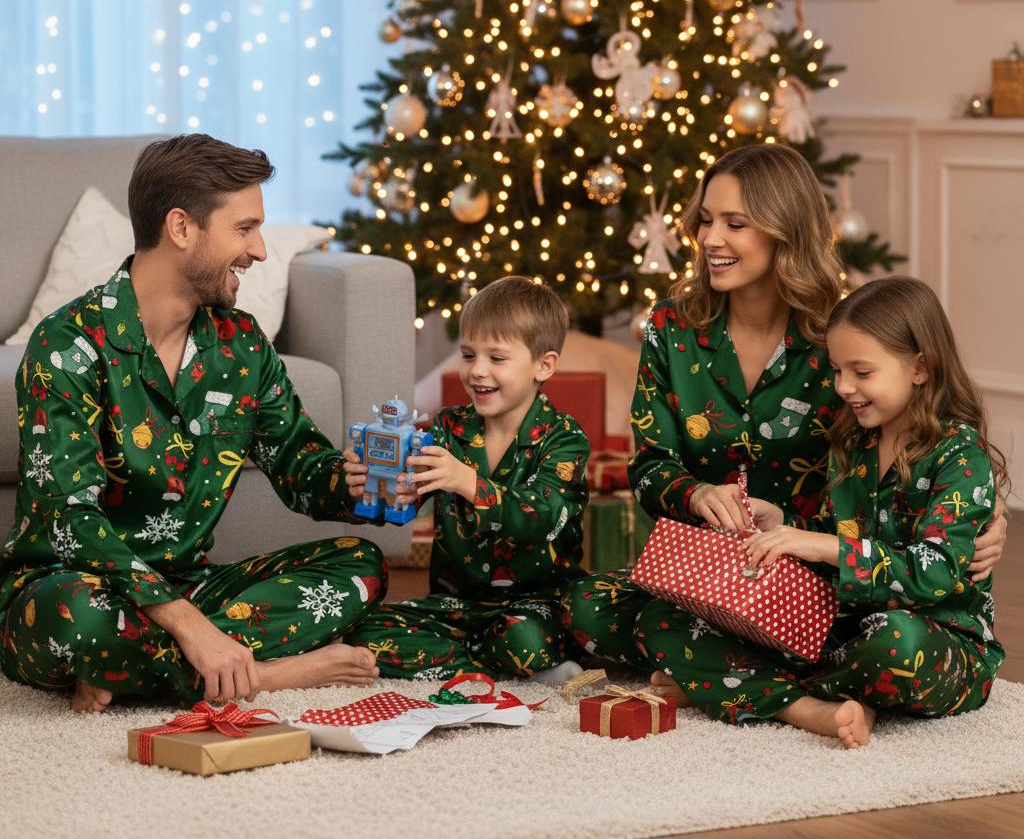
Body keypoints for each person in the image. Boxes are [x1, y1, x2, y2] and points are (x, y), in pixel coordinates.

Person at [562, 143, 1007, 677]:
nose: (710, 239)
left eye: (735, 223)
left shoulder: (839, 339)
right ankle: (758, 672)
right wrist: (696, 493)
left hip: (820, 580)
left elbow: (925, 434)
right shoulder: (670, 329)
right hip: (705, 570)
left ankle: (733, 677)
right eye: (705, 220)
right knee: (582, 606)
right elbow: (650, 467)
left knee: (888, 643)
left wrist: (989, 513)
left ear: (783, 231)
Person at [0, 134, 390, 713]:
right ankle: (269, 675)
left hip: (192, 587)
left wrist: (364, 482)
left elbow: (302, 467)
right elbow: (69, 522)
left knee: (361, 565)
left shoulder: (242, 347)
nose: (259, 250)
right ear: (181, 228)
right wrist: (189, 627)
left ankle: (139, 668)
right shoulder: (67, 345)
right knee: (75, 617)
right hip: (72, 588)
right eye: (244, 228)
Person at [736, 276, 1007, 747]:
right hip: (849, 626)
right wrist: (784, 526)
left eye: (861, 373)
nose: (843, 387)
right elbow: (831, 532)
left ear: (919, 367)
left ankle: (748, 688)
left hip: (939, 640)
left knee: (897, 642)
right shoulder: (852, 443)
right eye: (838, 371)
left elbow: (936, 574)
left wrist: (826, 546)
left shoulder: (960, 456)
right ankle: (807, 696)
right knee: (700, 616)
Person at [347, 276, 590, 681]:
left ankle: (498, 658)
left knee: (524, 640)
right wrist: (383, 480)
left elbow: (543, 517)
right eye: (467, 354)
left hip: (536, 605)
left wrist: (466, 482)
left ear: (543, 365)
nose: (477, 371)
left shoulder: (565, 439)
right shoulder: (446, 428)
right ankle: (492, 662)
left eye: (496, 359)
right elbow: (406, 496)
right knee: (364, 635)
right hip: (455, 605)